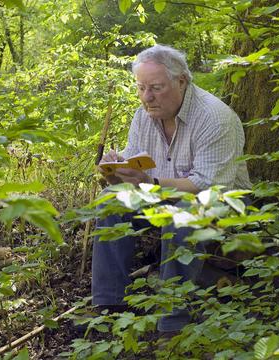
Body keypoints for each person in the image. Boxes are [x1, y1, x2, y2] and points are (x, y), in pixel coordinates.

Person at [91, 44, 250, 334]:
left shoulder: (214, 117)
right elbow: (136, 169)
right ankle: (108, 305)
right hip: (160, 196)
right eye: (140, 88)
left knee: (185, 214)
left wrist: (149, 184)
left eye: (155, 88)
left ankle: (173, 323)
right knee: (111, 200)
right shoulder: (144, 115)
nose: (146, 97)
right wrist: (115, 172)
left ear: (181, 81)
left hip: (219, 205)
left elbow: (207, 187)